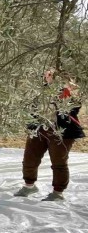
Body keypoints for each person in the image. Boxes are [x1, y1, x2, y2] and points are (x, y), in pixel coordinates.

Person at [14, 69, 84, 201]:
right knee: (29, 159)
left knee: (59, 163)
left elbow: (75, 107)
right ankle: (29, 186)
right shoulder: (39, 89)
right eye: (46, 74)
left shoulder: (68, 90)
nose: (47, 76)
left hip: (61, 132)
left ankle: (58, 193)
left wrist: (67, 92)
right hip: (39, 129)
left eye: (51, 74)